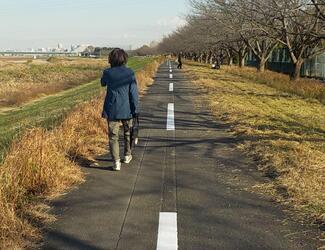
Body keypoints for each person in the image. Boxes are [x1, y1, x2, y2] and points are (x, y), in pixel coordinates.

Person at [100, 48, 139, 171]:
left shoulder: (107, 72)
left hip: (112, 109)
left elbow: (102, 83)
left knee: (113, 136)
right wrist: (136, 109)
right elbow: (133, 93)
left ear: (111, 59)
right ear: (124, 59)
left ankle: (116, 162)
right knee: (128, 133)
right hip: (127, 108)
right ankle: (127, 155)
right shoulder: (130, 73)